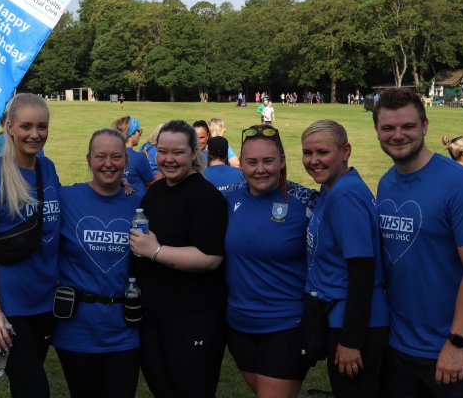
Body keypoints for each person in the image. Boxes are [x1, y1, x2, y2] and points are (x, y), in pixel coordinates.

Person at [373, 87, 463, 397]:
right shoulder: (386, 183)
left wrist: (456, 342)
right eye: (388, 127)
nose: (397, 135)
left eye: (407, 126)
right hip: (398, 345)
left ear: (425, 127)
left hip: (450, 348)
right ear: (377, 130)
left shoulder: (461, 185)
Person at [0, 93, 61, 396]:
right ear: (9, 127)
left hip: (45, 301)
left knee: (24, 386)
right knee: (35, 389)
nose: (35, 134)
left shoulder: (47, 169)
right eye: (26, 126)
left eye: (42, 126)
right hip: (7, 305)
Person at [129, 120, 228, 398]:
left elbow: (210, 258)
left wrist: (155, 251)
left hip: (193, 317)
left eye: (178, 152)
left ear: (195, 152)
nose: (169, 159)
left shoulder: (205, 197)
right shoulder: (156, 193)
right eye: (162, 151)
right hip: (154, 315)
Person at [224, 124, 316, 397]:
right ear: (241, 164)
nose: (260, 169)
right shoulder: (229, 197)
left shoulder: (306, 201)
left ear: (283, 161)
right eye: (251, 162)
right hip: (238, 325)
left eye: (268, 161)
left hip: (286, 326)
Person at [302, 120, 389, 397]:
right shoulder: (333, 188)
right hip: (342, 318)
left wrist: (351, 341)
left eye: (323, 152)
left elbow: (362, 270)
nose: (314, 161)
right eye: (307, 153)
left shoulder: (345, 195)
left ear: (345, 151)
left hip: (354, 325)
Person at [53, 128, 142, 398]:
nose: (108, 164)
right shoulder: (66, 198)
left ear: (125, 160)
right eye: (100, 156)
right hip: (77, 328)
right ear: (88, 158)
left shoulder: (139, 203)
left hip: (125, 326)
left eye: (116, 157)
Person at [112, 116, 155, 196]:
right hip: (136, 203)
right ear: (132, 133)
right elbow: (151, 183)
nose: (140, 134)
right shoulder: (139, 158)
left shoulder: (110, 155)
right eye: (139, 131)